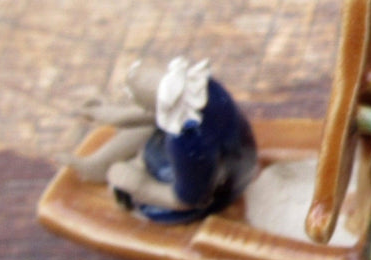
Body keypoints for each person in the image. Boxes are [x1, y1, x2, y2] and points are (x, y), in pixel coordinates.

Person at [67, 57, 257, 223]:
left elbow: (189, 200)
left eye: (136, 100)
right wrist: (115, 115)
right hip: (232, 154)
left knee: (128, 165)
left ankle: (131, 171)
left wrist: (139, 185)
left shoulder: (187, 144)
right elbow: (157, 113)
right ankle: (96, 165)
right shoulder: (200, 88)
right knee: (139, 129)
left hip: (212, 188)